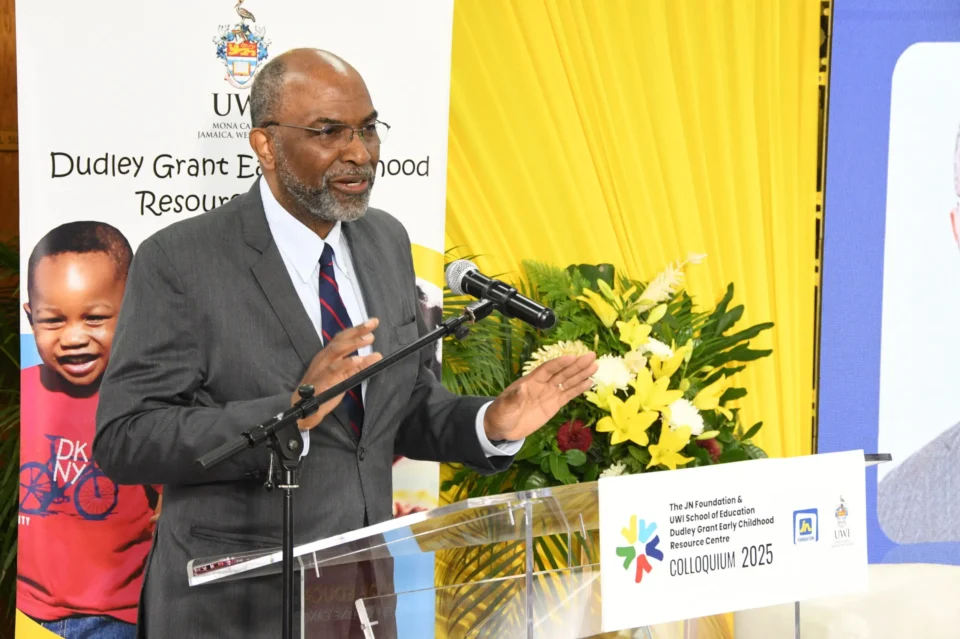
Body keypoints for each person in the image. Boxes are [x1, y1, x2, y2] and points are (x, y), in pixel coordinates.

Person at [93, 48, 597, 638]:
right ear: (264, 145)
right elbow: (126, 439)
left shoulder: (385, 239)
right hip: (233, 604)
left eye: (367, 128)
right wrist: (291, 412)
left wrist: (492, 422)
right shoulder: (181, 259)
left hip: (360, 597)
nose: (359, 152)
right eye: (329, 131)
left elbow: (401, 407)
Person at [18, 221, 161, 639]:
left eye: (95, 317)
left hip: (117, 619)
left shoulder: (147, 402)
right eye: (53, 321)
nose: (74, 337)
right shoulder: (22, 394)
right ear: (30, 317)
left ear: (133, 309)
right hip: (27, 614)